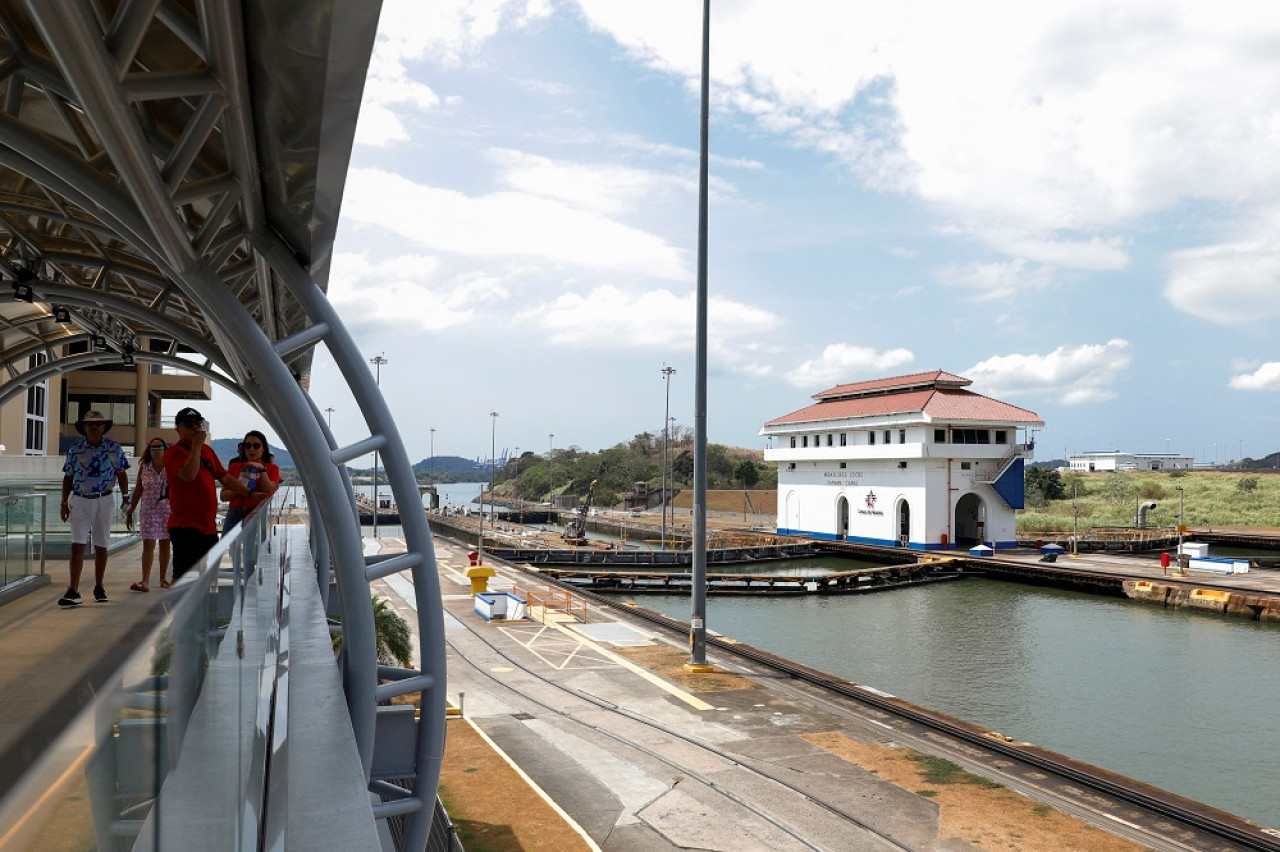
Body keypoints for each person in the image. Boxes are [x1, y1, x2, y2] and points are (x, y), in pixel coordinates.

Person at [164, 407, 253, 580]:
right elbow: (188, 475)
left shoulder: (207, 451)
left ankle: (200, 607)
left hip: (208, 527)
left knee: (206, 576)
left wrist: (250, 493)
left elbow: (225, 478)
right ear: (178, 429)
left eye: (198, 424)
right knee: (183, 577)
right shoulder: (173, 453)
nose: (195, 428)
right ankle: (179, 607)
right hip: (185, 526)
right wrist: (196, 446)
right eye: (189, 425)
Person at [58, 410, 130, 607]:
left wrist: (126, 498)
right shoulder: (76, 449)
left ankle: (99, 586)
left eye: (99, 424)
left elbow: (122, 473)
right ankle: (73, 589)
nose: (95, 427)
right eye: (91, 424)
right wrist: (64, 502)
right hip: (80, 499)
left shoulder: (114, 448)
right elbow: (68, 476)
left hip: (104, 499)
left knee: (101, 544)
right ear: (84, 427)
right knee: (77, 544)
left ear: (104, 427)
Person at [124, 438, 171, 591]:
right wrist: (130, 510)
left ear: (165, 449)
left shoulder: (171, 467)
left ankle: (163, 578)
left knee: (165, 543)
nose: (156, 450)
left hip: (167, 510)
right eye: (153, 447)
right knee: (148, 544)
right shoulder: (144, 467)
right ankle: (145, 580)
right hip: (149, 511)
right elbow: (138, 489)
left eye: (159, 447)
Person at [221, 430, 281, 533]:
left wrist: (262, 470)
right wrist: (241, 487)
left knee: (254, 547)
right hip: (234, 513)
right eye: (247, 446)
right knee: (231, 547)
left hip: (256, 512)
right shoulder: (235, 467)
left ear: (263, 448)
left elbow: (269, 491)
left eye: (256, 445)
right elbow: (223, 496)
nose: (251, 449)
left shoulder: (272, 468)